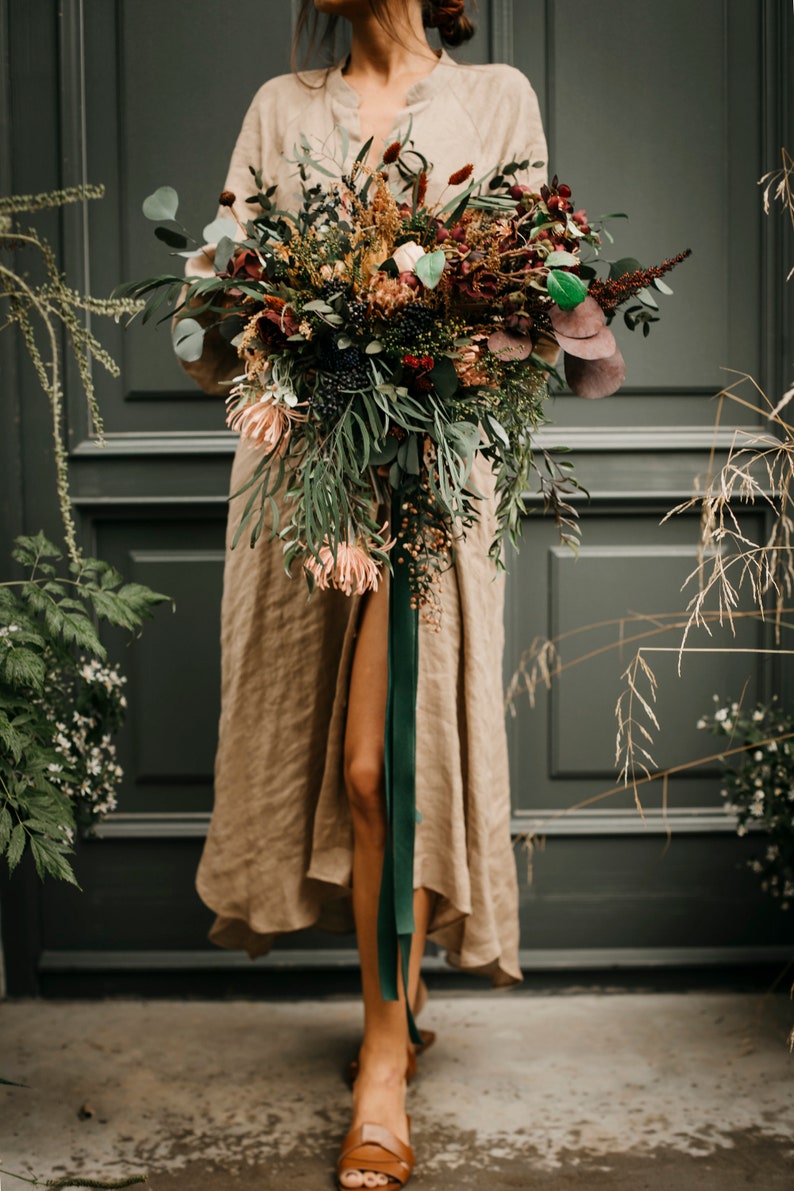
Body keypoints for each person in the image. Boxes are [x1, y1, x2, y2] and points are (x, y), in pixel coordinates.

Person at [179, 2, 548, 1185]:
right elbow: (212, 310)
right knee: (330, 754)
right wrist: (254, 309)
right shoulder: (279, 111)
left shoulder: (497, 99)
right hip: (307, 476)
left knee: (378, 764)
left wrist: (446, 335)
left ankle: (382, 1059)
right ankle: (400, 983)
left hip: (432, 474)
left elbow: (534, 303)